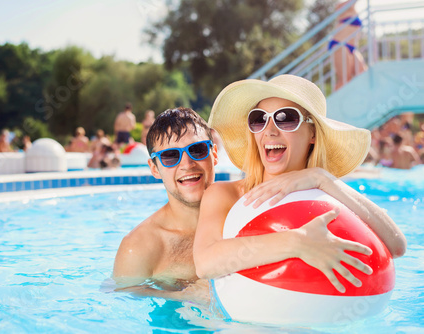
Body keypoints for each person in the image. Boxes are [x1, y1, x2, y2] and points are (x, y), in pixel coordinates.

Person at [194, 75, 406, 293]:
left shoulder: (328, 199)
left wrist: (322, 178)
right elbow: (205, 263)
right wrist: (296, 243)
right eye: (259, 119)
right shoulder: (226, 194)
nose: (270, 130)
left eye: (285, 118)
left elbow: (397, 245)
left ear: (312, 133)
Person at [113, 107, 218, 302]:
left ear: (215, 154)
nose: (187, 164)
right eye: (170, 156)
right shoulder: (140, 247)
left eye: (197, 149)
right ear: (154, 168)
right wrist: (185, 296)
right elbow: (123, 293)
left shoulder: (244, 211)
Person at [329, 0, 367, 90]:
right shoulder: (341, 6)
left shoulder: (354, 10)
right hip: (340, 44)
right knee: (345, 79)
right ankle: (334, 103)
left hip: (352, 48)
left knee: (362, 74)